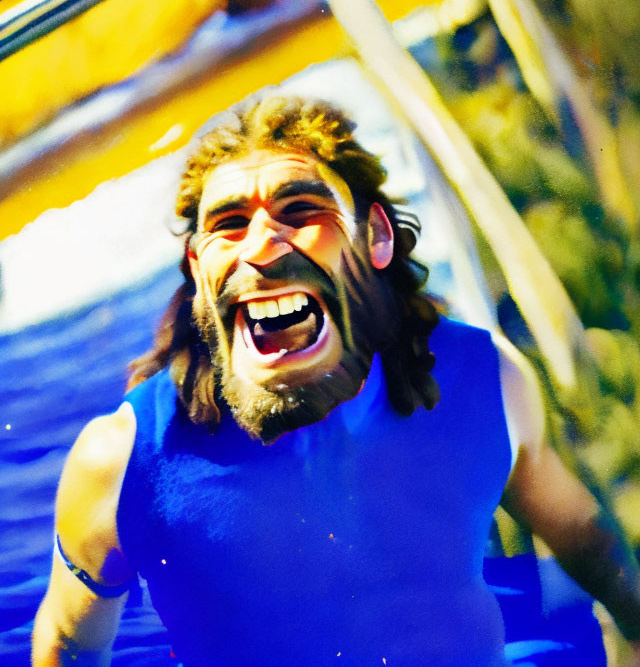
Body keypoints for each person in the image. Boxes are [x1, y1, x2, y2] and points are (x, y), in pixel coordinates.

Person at [32, 95, 640, 666]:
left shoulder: (484, 382)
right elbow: (68, 643)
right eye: (229, 224)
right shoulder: (121, 465)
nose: (262, 247)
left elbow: (591, 543)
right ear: (197, 268)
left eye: (300, 211)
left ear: (375, 235)